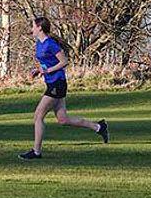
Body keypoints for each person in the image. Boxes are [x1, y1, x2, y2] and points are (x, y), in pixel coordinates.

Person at [18, 16, 108, 160]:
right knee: (63, 119)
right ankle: (99, 127)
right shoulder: (39, 44)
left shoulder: (50, 44)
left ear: (40, 27)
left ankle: (36, 152)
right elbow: (46, 62)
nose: (31, 29)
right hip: (51, 82)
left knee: (38, 116)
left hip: (57, 83)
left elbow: (64, 61)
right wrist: (39, 70)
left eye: (33, 26)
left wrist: (47, 71)